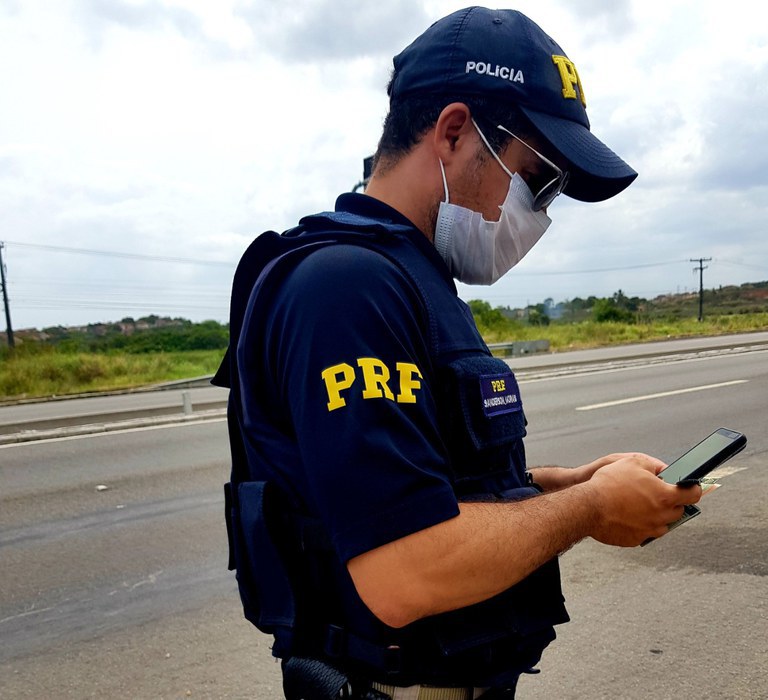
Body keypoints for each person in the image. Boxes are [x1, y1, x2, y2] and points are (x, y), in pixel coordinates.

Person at [215, 7, 702, 699]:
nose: (543, 210)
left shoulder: (409, 277)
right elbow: (402, 568)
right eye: (538, 177)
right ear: (452, 132)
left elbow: (418, 480)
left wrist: (570, 482)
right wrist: (590, 508)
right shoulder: (347, 287)